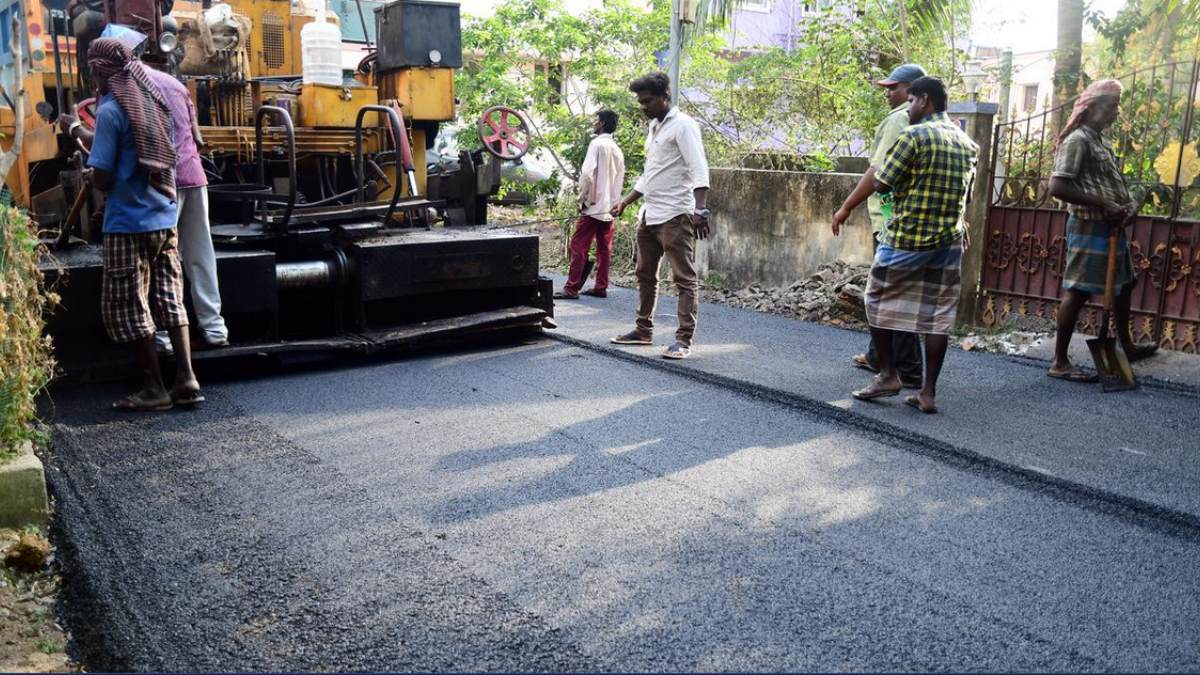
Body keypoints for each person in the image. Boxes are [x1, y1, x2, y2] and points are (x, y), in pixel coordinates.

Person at [63, 37, 202, 410]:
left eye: (93, 68)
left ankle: (154, 389)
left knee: (130, 303)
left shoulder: (110, 110)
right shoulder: (152, 102)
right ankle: (186, 378)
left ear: (99, 70)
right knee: (170, 296)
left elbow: (105, 177)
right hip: (162, 217)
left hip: (129, 223)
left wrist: (91, 177)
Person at [831, 76, 978, 414]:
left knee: (876, 301)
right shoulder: (967, 143)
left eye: (910, 101)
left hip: (906, 238)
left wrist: (847, 207)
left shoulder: (912, 136)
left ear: (924, 100)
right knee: (937, 318)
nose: (907, 107)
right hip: (948, 243)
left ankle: (888, 374)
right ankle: (928, 393)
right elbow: (966, 196)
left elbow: (881, 180)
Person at [1046, 79, 1157, 381]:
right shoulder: (1077, 140)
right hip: (1088, 226)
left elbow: (1107, 185)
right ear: (1091, 107)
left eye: (1118, 106)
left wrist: (1126, 206)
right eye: (1111, 106)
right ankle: (1059, 361)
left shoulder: (1100, 141)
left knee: (1123, 286)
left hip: (1110, 227)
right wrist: (1104, 204)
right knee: (1078, 291)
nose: (1116, 113)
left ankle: (1127, 346)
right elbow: (1058, 186)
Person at [835, 63, 927, 389]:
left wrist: (846, 206)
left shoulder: (900, 120)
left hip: (892, 222)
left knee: (888, 295)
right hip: (911, 220)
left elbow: (878, 173)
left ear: (912, 91)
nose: (888, 94)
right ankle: (879, 356)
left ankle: (907, 369)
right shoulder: (931, 122)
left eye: (894, 88)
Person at [609, 72, 711, 360]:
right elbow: (651, 173)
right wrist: (626, 201)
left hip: (675, 215)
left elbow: (698, 168)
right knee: (644, 274)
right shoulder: (655, 127)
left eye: (648, 100)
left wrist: (700, 209)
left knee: (683, 278)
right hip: (649, 213)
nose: (643, 106)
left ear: (665, 96)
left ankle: (683, 340)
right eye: (640, 101)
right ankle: (643, 330)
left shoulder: (684, 126)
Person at [144, 61, 229, 350]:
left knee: (161, 260)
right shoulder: (177, 86)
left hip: (162, 182)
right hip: (194, 176)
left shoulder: (128, 86)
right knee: (201, 255)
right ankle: (215, 328)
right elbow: (195, 134)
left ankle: (165, 336)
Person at [555, 109, 626, 300]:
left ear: (601, 123)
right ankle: (600, 287)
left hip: (593, 206)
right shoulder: (618, 150)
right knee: (605, 248)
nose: (594, 124)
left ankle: (571, 288)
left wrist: (582, 200)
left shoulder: (597, 144)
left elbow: (586, 174)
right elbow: (620, 179)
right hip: (610, 207)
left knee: (579, 245)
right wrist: (615, 203)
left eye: (596, 121)